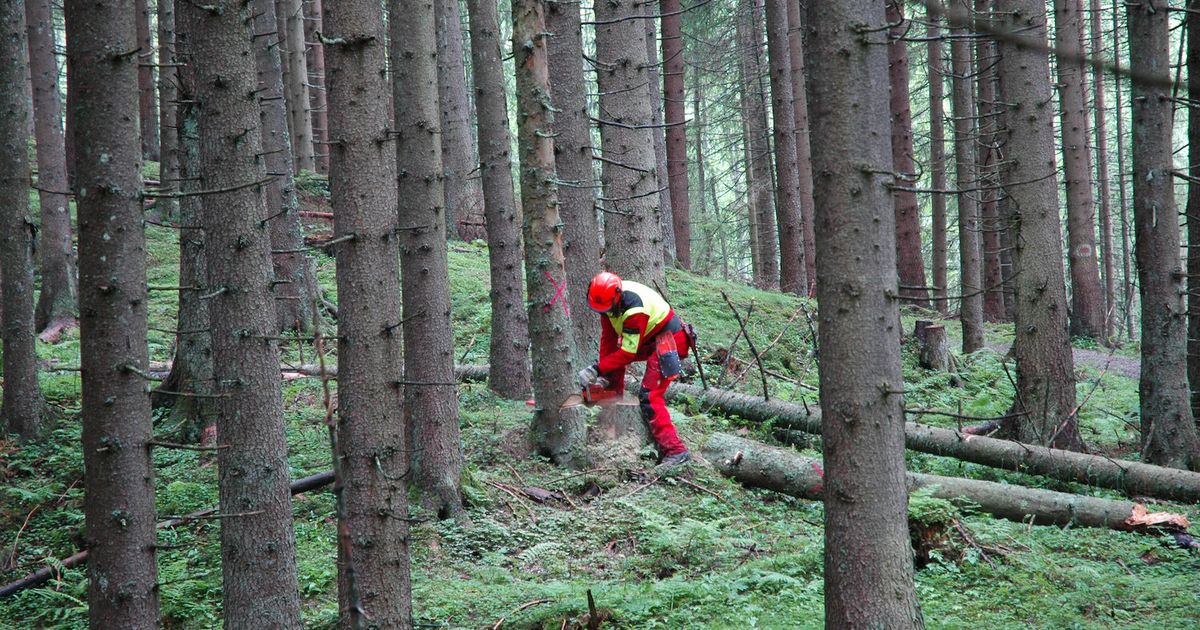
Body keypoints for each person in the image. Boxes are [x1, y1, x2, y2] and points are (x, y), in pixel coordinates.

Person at [577, 271, 694, 466]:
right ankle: (614, 395)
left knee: (650, 396)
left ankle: (676, 450)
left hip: (671, 339)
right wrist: (604, 373)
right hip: (650, 336)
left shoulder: (634, 310)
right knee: (615, 356)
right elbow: (608, 340)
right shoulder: (607, 304)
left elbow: (627, 354)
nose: (604, 313)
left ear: (617, 298)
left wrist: (596, 369)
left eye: (606, 309)